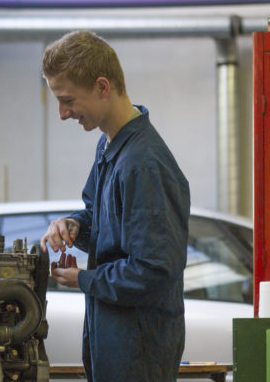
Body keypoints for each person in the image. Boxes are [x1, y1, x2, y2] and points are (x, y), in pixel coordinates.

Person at [40, 30, 190, 382]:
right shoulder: (110, 148)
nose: (62, 114)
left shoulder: (143, 164)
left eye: (67, 100)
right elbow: (105, 223)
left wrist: (85, 279)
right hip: (115, 344)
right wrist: (74, 226)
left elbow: (152, 271)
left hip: (137, 354)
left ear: (102, 87)